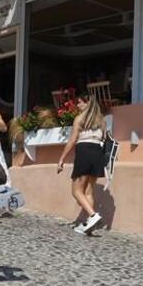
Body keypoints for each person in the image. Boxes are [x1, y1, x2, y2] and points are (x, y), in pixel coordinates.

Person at [56, 93, 107, 234]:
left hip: (84, 151)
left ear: (87, 102)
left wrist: (62, 159)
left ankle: (93, 215)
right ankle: (88, 225)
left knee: (76, 191)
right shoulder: (101, 120)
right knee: (88, 191)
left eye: (79, 102)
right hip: (98, 152)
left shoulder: (80, 119)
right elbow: (103, 138)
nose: (78, 106)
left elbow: (72, 140)